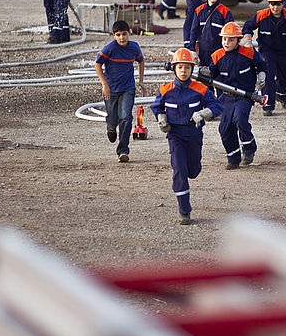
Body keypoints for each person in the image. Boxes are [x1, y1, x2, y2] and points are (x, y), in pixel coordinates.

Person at [151, 48, 222, 225]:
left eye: (187, 68)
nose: (183, 71)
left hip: (194, 135)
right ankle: (184, 211)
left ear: (192, 69)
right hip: (175, 136)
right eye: (180, 67)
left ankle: (192, 170)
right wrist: (161, 118)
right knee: (179, 171)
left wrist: (204, 113)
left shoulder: (200, 89)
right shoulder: (165, 89)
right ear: (174, 68)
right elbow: (157, 107)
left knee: (193, 170)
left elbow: (217, 106)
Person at [202, 22, 267, 170]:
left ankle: (249, 148)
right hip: (225, 97)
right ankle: (233, 157)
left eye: (231, 39)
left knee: (240, 120)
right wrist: (204, 72)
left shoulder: (248, 52)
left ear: (238, 40)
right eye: (224, 39)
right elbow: (212, 73)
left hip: (245, 95)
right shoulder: (217, 56)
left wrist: (262, 76)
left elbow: (262, 64)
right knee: (224, 128)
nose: (227, 42)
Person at [242, 0, 286, 116]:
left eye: (278, 4)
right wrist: (248, 40)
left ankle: (281, 96)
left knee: (284, 76)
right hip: (266, 51)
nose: (275, 7)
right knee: (269, 76)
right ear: (269, 4)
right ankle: (268, 104)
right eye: (272, 3)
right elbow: (247, 26)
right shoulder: (261, 15)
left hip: (283, 51)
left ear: (283, 4)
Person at [95, 20, 146, 163]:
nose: (122, 38)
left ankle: (123, 150)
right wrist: (104, 84)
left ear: (129, 33)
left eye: (124, 34)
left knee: (126, 117)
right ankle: (111, 128)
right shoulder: (109, 49)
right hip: (111, 89)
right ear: (114, 35)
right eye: (118, 35)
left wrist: (140, 80)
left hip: (128, 88)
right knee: (113, 118)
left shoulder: (134, 48)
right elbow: (97, 64)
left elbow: (141, 61)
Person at [188, 0, 234, 66]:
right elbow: (193, 32)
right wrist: (192, 50)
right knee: (203, 76)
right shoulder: (199, 11)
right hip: (203, 51)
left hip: (220, 51)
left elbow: (231, 33)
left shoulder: (225, 11)